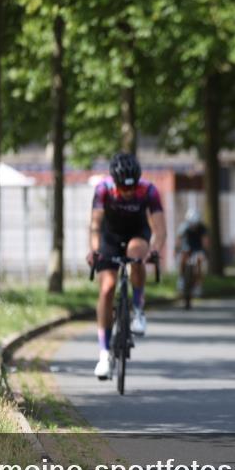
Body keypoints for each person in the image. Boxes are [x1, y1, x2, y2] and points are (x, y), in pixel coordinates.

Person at [87, 153, 167, 379]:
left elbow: (160, 229)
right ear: (115, 181)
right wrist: (94, 250)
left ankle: (138, 309)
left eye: (132, 189)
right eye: (124, 188)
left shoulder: (149, 191)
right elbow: (95, 225)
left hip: (137, 234)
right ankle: (104, 354)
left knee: (136, 254)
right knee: (107, 287)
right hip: (109, 238)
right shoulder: (103, 189)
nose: (128, 193)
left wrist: (155, 249)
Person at [176, 208, 209, 297]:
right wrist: (177, 249)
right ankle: (181, 279)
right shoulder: (183, 227)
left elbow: (205, 241)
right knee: (182, 258)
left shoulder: (202, 228)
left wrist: (205, 252)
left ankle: (198, 285)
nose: (193, 226)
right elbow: (179, 239)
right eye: (191, 223)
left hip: (198, 249)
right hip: (187, 248)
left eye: (195, 224)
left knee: (200, 262)